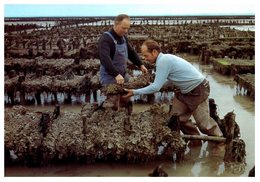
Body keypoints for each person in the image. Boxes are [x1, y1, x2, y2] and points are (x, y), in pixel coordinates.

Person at [123, 39, 223, 147]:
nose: (144, 58)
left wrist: (134, 92)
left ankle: (220, 141)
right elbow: (172, 79)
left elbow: (156, 87)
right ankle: (195, 141)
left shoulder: (163, 61)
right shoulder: (164, 59)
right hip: (183, 90)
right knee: (177, 118)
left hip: (198, 89)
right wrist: (155, 84)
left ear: (154, 52)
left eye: (146, 55)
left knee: (203, 123)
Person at [98, 14, 148, 111]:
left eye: (127, 28)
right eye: (123, 28)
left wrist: (140, 64)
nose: (126, 31)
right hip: (110, 76)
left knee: (127, 98)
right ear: (116, 24)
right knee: (113, 103)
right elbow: (104, 59)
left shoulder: (123, 37)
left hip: (123, 74)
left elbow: (131, 52)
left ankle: (126, 119)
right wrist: (116, 74)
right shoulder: (105, 39)